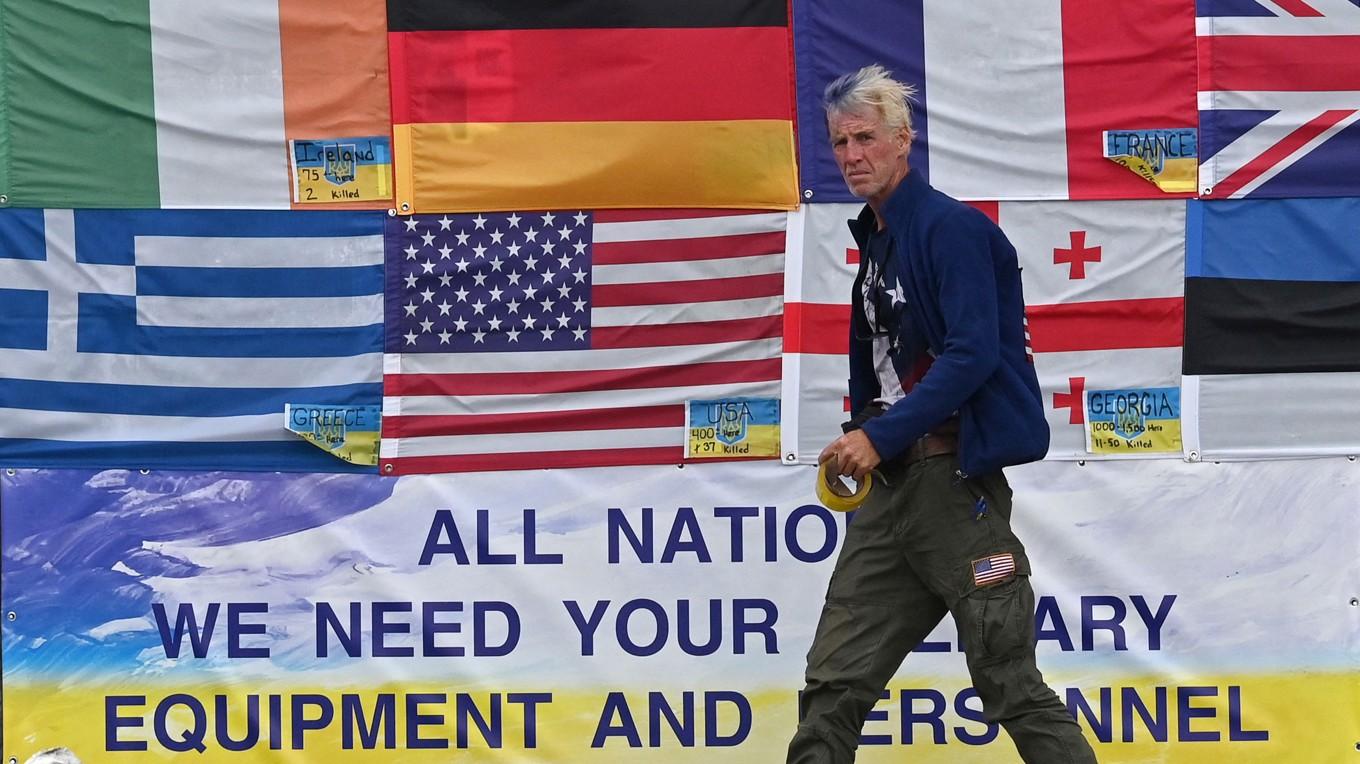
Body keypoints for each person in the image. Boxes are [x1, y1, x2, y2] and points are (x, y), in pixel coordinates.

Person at [786, 65, 1098, 764]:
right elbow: (892, 368)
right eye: (839, 143)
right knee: (833, 685)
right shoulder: (879, 240)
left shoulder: (951, 228)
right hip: (891, 493)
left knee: (1009, 679)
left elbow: (972, 355)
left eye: (865, 138)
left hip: (954, 487)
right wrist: (863, 434)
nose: (851, 156)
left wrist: (881, 433)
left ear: (904, 141)